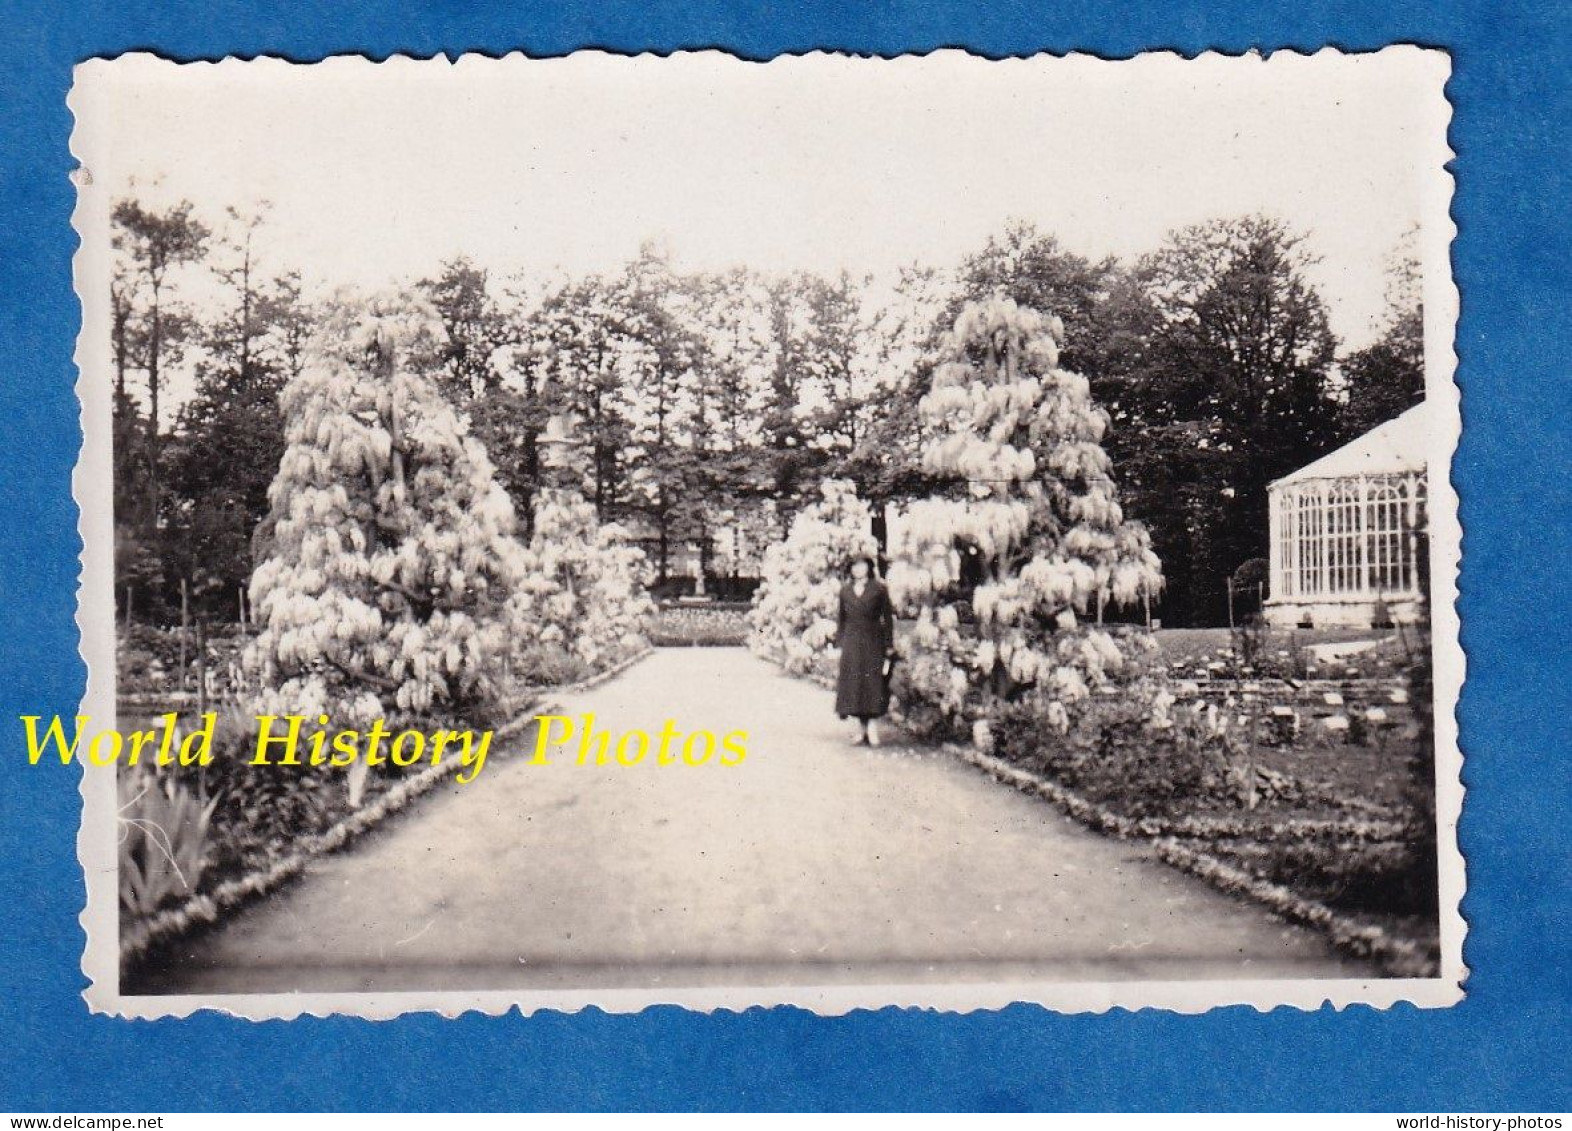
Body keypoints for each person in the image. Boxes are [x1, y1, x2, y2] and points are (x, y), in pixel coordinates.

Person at [833, 553, 895, 747]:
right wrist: (839, 643)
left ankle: (872, 728)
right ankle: (861, 729)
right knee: (855, 685)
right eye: (854, 566)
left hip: (872, 640)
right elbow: (841, 619)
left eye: (862, 566)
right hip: (852, 642)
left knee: (872, 684)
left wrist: (889, 645)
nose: (858, 570)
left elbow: (887, 619)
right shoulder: (845, 591)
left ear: (869, 567)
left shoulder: (879, 589)